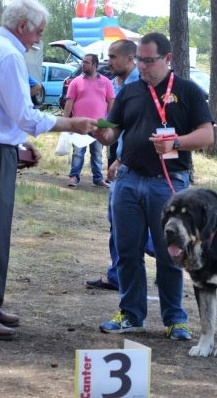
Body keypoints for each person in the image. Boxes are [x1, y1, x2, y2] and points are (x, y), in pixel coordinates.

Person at [0, 0, 97, 340]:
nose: (38, 39)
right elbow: (24, 114)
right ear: (22, 25)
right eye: (38, 31)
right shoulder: (7, 55)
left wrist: (18, 141)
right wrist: (71, 123)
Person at [93, 32, 214, 340]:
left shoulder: (188, 91)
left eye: (149, 60)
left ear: (168, 59)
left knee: (170, 252)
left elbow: (207, 135)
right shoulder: (130, 91)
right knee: (126, 250)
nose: (142, 66)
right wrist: (98, 131)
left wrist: (177, 142)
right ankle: (131, 315)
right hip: (129, 181)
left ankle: (175, 319)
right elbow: (113, 131)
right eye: (139, 60)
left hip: (169, 184)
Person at [85, 39, 146, 291]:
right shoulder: (116, 84)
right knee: (116, 222)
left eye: (112, 57)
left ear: (130, 59)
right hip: (122, 159)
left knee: (129, 228)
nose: (107, 62)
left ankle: (176, 249)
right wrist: (95, 128)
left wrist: (120, 160)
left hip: (133, 165)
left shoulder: (140, 87)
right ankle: (116, 275)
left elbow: (139, 129)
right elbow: (117, 125)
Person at [65, 53, 114, 188]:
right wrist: (66, 122)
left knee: (97, 153)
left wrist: (109, 123)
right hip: (79, 125)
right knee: (78, 153)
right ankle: (74, 176)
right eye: (83, 62)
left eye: (86, 62)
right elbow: (69, 103)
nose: (83, 64)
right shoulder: (76, 82)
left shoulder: (106, 82)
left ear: (95, 65)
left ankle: (98, 178)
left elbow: (111, 102)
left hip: (99, 125)